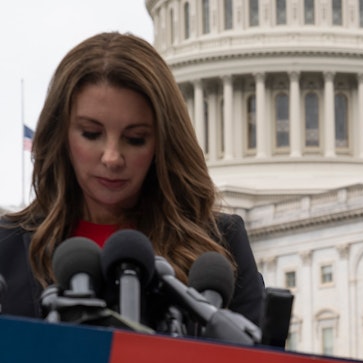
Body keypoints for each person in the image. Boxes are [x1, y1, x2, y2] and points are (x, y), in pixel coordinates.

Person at [0, 32, 264, 327]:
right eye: (91, 133)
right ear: (60, 134)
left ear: (162, 143)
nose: (112, 157)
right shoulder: (6, 248)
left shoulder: (220, 247)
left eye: (135, 139)